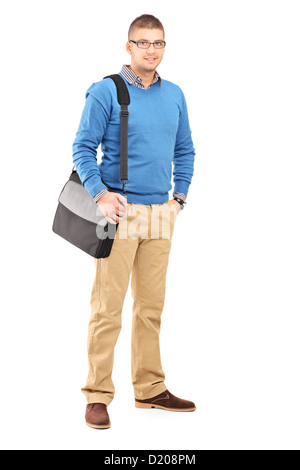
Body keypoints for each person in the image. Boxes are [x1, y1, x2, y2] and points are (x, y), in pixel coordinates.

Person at [72, 14, 196, 429]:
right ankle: (97, 395)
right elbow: (83, 147)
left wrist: (178, 198)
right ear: (129, 47)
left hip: (161, 214)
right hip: (118, 215)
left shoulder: (175, 94)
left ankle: (149, 389)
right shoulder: (107, 90)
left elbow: (186, 148)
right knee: (107, 309)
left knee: (151, 309)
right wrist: (101, 194)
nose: (151, 50)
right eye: (143, 43)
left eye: (158, 43)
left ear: (164, 47)